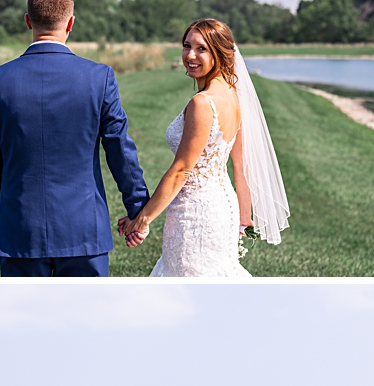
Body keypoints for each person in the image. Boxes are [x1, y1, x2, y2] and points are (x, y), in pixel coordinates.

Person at [0, 0, 147, 277]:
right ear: (70, 23)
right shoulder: (99, 78)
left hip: (19, 229)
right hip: (84, 229)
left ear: (28, 21)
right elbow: (120, 149)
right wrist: (138, 209)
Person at [119, 18, 289, 279]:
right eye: (187, 46)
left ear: (219, 53)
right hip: (223, 207)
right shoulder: (233, 95)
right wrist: (244, 215)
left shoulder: (203, 103)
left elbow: (181, 170)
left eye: (201, 48)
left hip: (195, 213)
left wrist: (142, 221)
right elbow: (239, 162)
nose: (190, 55)